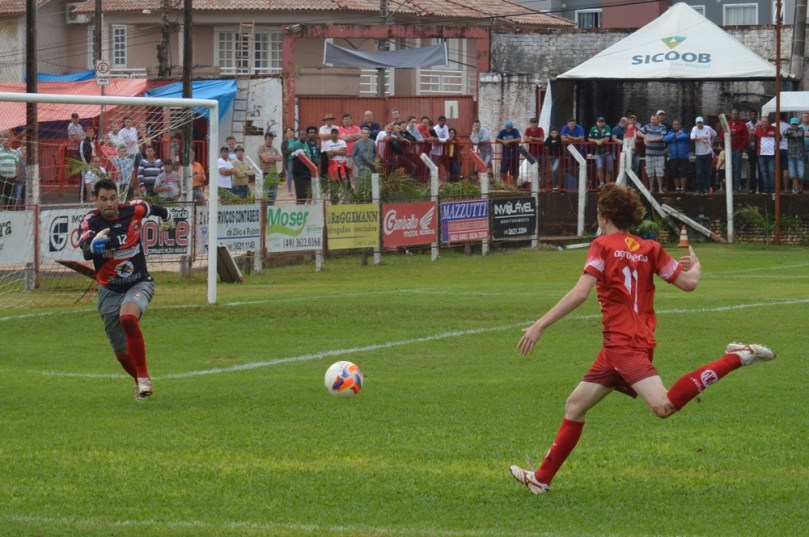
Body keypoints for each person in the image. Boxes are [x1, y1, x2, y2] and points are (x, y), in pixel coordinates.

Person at [509, 183, 775, 496]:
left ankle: (737, 357)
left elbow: (580, 293)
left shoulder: (602, 245)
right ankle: (541, 479)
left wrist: (540, 325)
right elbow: (689, 283)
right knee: (575, 405)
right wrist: (698, 265)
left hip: (624, 346)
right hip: (622, 344)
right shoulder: (650, 249)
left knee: (663, 406)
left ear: (604, 216)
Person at [78, 178, 174, 400]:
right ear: (95, 200)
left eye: (113, 198)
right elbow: (85, 248)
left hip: (138, 282)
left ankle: (143, 377)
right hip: (109, 290)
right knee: (121, 352)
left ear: (118, 198)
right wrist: (94, 246)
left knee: (128, 319)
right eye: (104, 199)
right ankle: (139, 381)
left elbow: (155, 208)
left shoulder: (133, 210)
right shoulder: (90, 221)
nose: (109, 203)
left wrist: (167, 218)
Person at [290, 126, 321, 204]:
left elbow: (310, 156)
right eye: (302, 134)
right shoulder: (297, 144)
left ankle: (307, 206)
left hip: (307, 171)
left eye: (305, 134)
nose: (304, 136)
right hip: (300, 172)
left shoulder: (306, 144)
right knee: (301, 194)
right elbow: (301, 158)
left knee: (308, 192)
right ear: (299, 136)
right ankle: (300, 208)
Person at [639, 114, 667, 194]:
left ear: (658, 120)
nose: (654, 121)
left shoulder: (663, 127)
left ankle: (660, 189)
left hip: (660, 153)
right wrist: (645, 137)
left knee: (660, 171)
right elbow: (637, 132)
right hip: (649, 153)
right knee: (649, 171)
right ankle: (651, 188)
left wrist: (651, 140)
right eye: (652, 119)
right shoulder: (647, 126)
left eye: (655, 119)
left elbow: (662, 137)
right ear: (650, 120)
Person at [722, 109, 749, 193]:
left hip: (737, 150)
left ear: (738, 115)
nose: (734, 115)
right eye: (733, 114)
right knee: (729, 168)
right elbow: (722, 134)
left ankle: (736, 187)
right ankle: (729, 187)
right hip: (729, 149)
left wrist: (740, 148)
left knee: (737, 169)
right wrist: (728, 133)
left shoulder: (742, 124)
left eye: (736, 114)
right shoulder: (727, 123)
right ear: (731, 115)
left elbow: (746, 137)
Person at [690, 116, 716, 194]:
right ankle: (699, 188)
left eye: (701, 122)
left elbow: (714, 134)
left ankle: (706, 188)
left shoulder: (708, 128)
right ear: (696, 123)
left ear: (703, 123)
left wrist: (711, 143)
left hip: (708, 153)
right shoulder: (694, 129)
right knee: (699, 172)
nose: (699, 124)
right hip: (699, 154)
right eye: (698, 123)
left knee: (707, 172)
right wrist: (700, 139)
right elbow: (692, 137)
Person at [664, 119, 690, 193]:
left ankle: (683, 188)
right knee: (675, 173)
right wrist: (675, 135)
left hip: (683, 156)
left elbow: (686, 136)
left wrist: (674, 138)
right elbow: (665, 139)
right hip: (673, 156)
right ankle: (677, 188)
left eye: (677, 124)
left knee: (683, 172)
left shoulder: (684, 131)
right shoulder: (670, 132)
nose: (676, 126)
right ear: (672, 126)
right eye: (674, 124)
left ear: (680, 125)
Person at [782, 117, 805, 194]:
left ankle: (801, 187)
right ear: (790, 125)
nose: (794, 125)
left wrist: (790, 134)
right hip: (791, 155)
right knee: (793, 173)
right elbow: (784, 133)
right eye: (793, 124)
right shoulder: (788, 129)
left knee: (801, 174)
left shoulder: (801, 129)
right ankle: (795, 187)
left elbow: (799, 135)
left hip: (800, 155)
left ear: (798, 124)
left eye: (795, 124)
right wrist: (792, 133)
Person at [754, 116, 777, 194]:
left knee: (771, 172)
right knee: (763, 172)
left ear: (768, 122)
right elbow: (753, 139)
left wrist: (774, 134)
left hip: (771, 154)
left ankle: (772, 189)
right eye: (763, 122)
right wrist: (751, 134)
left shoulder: (773, 128)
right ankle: (766, 189)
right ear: (761, 122)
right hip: (761, 154)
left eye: (766, 121)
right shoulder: (757, 129)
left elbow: (780, 138)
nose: (764, 123)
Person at [588, 117, 613, 189]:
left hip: (608, 152)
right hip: (598, 152)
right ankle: (601, 183)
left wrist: (600, 141)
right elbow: (589, 138)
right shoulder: (593, 129)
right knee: (599, 167)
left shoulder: (607, 127)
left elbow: (607, 139)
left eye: (602, 122)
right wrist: (596, 141)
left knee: (609, 169)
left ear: (604, 123)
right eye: (600, 122)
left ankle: (607, 185)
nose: (601, 123)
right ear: (597, 123)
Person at [258, 132, 282, 203]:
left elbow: (280, 158)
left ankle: (271, 209)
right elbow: (266, 159)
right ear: (265, 139)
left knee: (273, 195)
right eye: (268, 139)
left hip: (274, 174)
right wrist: (274, 158)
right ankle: (264, 209)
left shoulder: (274, 149)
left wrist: (270, 158)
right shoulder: (261, 148)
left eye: (271, 139)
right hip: (265, 174)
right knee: (265, 195)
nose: (270, 141)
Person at [0, 134, 17, 209]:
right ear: (2, 142)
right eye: (4, 141)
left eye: (7, 141)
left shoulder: (14, 152)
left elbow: (17, 164)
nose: (6, 142)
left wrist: (16, 174)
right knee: (0, 194)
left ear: (10, 142)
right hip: (1, 177)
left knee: (9, 195)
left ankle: (9, 210)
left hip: (12, 177)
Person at [746, 111, 761, 193]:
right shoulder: (747, 125)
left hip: (759, 148)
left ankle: (761, 188)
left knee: (760, 168)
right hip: (750, 148)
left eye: (754, 114)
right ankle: (753, 188)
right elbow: (744, 136)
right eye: (751, 115)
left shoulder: (760, 124)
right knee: (752, 169)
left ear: (757, 115)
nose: (753, 116)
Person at [280, 127, 296, 193]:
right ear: (286, 133)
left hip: (296, 160)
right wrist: (291, 149)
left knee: (296, 175)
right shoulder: (284, 142)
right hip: (289, 160)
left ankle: (296, 189)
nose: (289, 132)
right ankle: (289, 191)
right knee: (289, 175)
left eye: (290, 131)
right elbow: (284, 152)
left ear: (293, 132)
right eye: (288, 131)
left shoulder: (297, 140)